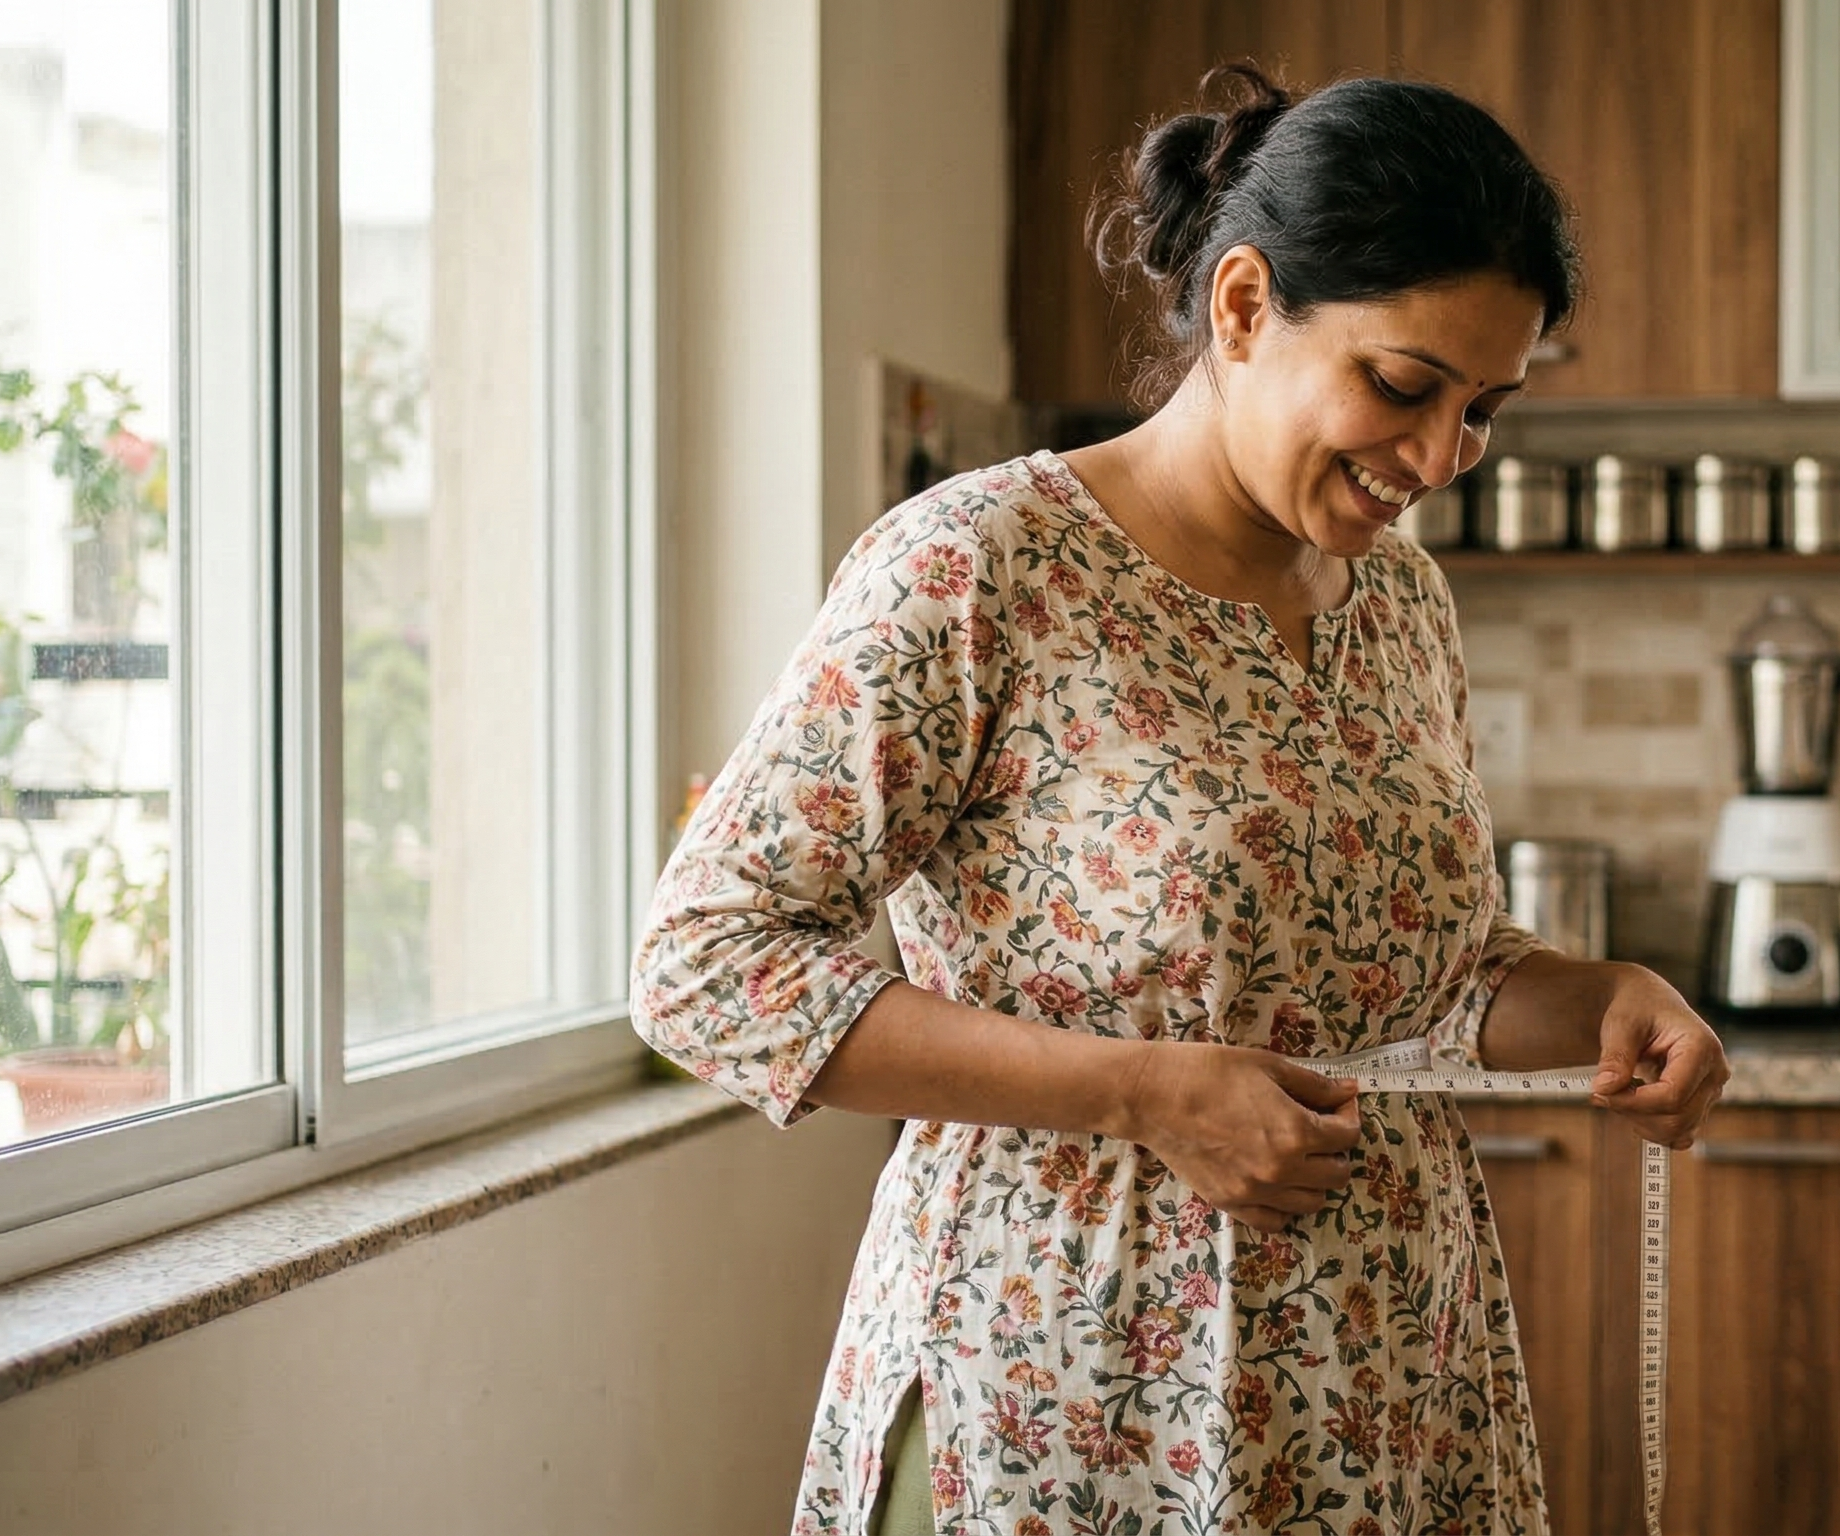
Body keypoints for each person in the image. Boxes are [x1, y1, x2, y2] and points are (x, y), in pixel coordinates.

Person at [631, 63, 1731, 1536]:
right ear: (1241, 308)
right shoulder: (981, 567)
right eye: (1404, 387)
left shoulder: (1401, 600)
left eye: (1485, 410)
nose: (1438, 461)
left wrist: (1605, 1000)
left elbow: (1432, 978)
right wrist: (1146, 1091)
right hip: (1068, 1370)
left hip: (1384, 1369)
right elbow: (705, 965)